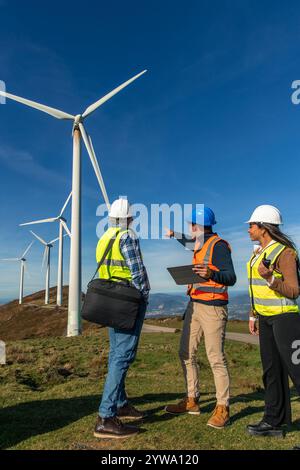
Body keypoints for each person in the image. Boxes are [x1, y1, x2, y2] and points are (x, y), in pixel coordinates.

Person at [165, 206, 236, 428]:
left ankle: (223, 407)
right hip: (194, 306)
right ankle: (192, 400)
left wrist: (211, 274)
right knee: (186, 353)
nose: (189, 228)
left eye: (190, 225)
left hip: (213, 308)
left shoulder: (219, 246)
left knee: (215, 357)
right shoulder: (199, 243)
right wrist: (174, 235)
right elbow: (188, 242)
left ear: (197, 226)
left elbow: (231, 277)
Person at [94, 197, 150, 439]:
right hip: (127, 300)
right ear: (129, 218)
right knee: (123, 355)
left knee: (116, 352)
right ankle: (106, 417)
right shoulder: (127, 237)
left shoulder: (103, 239)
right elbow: (137, 272)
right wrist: (144, 297)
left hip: (110, 301)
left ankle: (120, 403)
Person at [246, 205, 300, 437]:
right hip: (266, 318)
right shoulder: (258, 251)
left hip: (285, 319)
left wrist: (270, 278)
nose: (248, 229)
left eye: (252, 225)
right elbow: (253, 285)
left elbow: (294, 290)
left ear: (264, 227)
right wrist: (253, 313)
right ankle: (273, 421)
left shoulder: (285, 252)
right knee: (271, 372)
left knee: (297, 372)